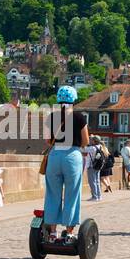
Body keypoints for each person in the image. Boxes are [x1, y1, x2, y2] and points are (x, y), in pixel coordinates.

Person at [43, 86, 89, 241]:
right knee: (72, 194)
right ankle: (69, 232)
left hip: (55, 156)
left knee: (52, 194)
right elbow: (86, 141)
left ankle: (53, 232)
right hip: (72, 156)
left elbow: (48, 140)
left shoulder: (52, 117)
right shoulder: (79, 117)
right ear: (74, 99)